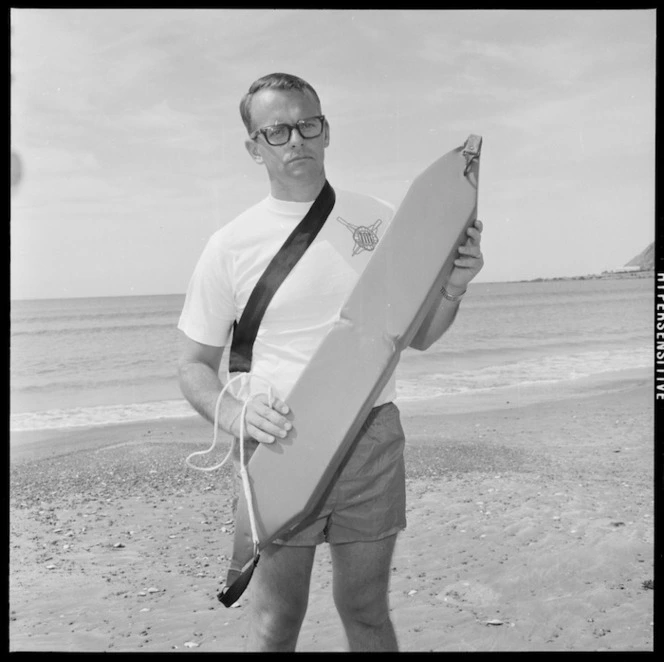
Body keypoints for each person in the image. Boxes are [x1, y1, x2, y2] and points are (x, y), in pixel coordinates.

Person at [177, 72, 484, 652]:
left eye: (307, 124)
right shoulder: (230, 245)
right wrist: (236, 417)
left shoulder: (382, 218)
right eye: (276, 131)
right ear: (254, 147)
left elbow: (414, 337)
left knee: (366, 609)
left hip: (371, 435)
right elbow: (192, 364)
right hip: (279, 443)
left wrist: (453, 288)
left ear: (325, 130)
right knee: (278, 619)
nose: (295, 140)